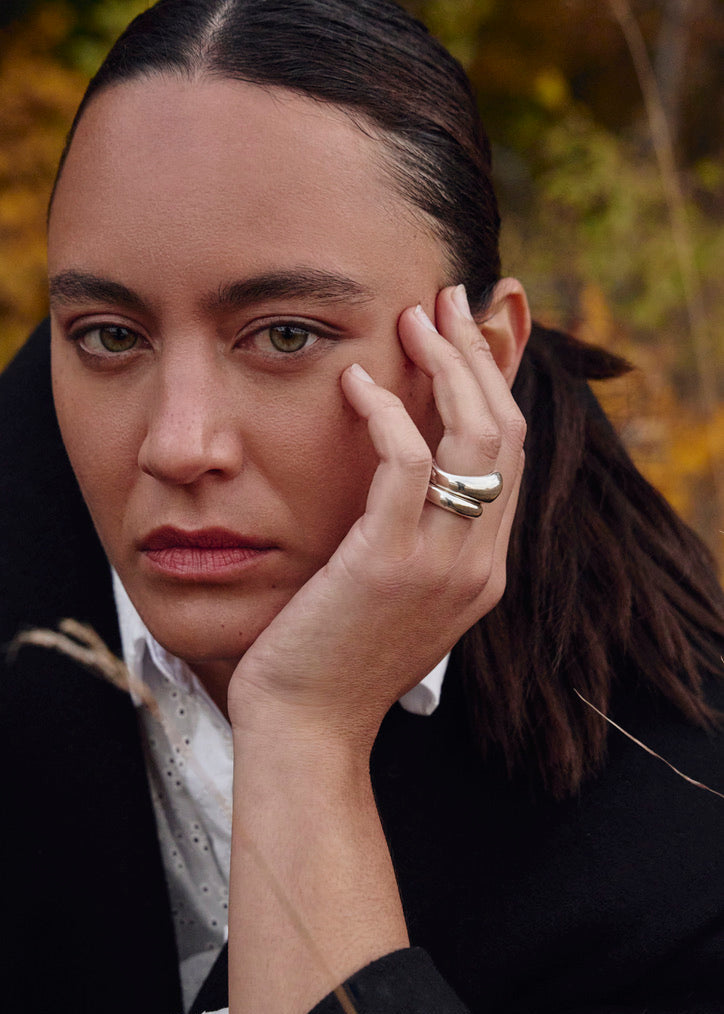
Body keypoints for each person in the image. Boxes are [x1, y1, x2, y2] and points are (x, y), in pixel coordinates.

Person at [1, 0, 722, 1012]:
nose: (178, 445)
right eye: (112, 335)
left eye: (286, 335)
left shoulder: (675, 825)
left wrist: (305, 736)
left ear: (485, 356)